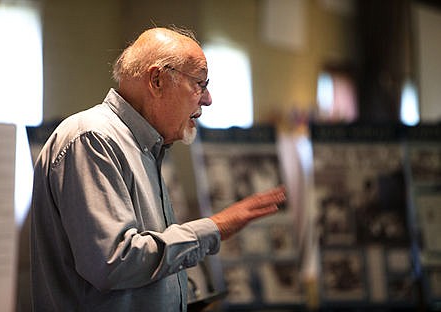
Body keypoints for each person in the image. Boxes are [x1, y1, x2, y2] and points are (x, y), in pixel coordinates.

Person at [30, 26, 286, 312]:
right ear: (157, 80)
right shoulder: (92, 139)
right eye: (200, 84)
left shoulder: (146, 147)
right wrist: (215, 227)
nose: (208, 99)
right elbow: (115, 262)